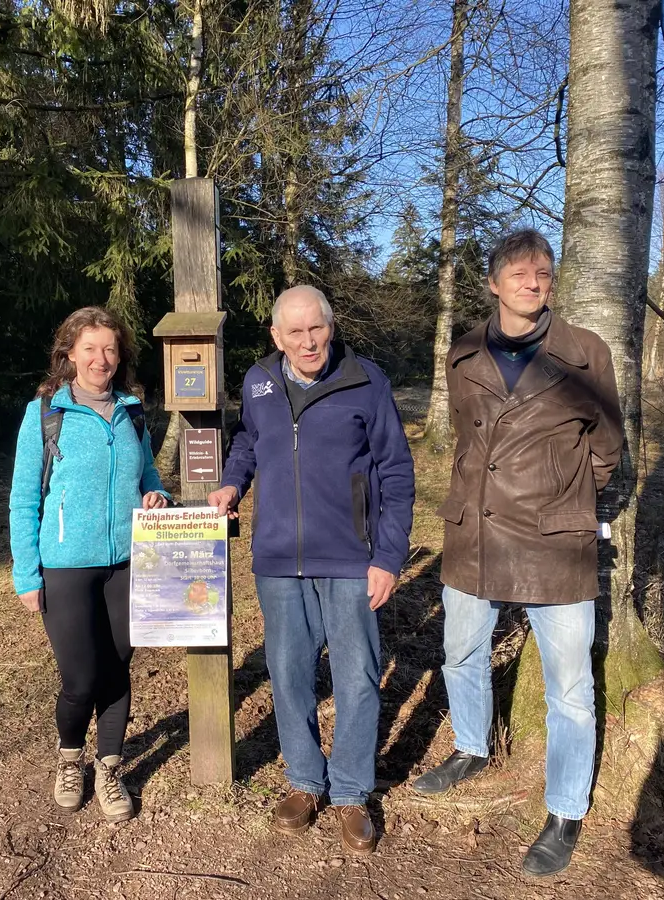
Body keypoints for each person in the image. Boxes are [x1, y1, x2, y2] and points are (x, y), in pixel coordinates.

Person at [410, 228, 623, 877]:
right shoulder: (464, 353)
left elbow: (609, 448)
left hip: (554, 542)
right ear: (495, 283)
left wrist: (563, 497)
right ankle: (472, 746)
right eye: (522, 273)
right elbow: (469, 444)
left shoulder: (585, 352)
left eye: (544, 273)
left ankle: (564, 810)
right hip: (475, 532)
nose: (535, 282)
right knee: (462, 651)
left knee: (570, 689)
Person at [207, 285, 415, 856]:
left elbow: (396, 473)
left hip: (351, 557)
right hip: (277, 559)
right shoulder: (258, 382)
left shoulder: (365, 380)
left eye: (316, 328)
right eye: (294, 332)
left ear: (331, 325)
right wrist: (232, 481)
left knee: (355, 676)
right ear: (276, 337)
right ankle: (304, 781)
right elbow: (250, 440)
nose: (307, 341)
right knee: (290, 674)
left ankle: (350, 793)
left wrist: (387, 558)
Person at [9, 306, 171, 823]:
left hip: (127, 562)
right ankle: (70, 759)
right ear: (69, 354)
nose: (101, 359)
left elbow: (147, 470)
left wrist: (157, 493)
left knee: (117, 671)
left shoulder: (132, 411)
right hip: (66, 567)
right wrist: (27, 573)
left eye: (110, 349)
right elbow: (22, 499)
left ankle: (110, 768)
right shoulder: (44, 414)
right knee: (80, 679)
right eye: (90, 349)